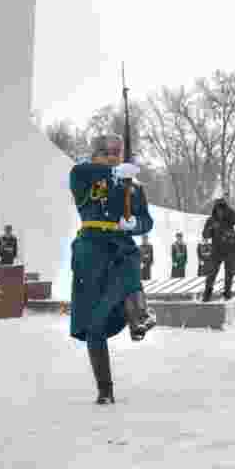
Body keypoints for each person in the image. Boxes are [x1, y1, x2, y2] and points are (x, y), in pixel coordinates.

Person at [68, 134, 156, 405]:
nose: (114, 157)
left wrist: (134, 225)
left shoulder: (132, 184)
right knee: (94, 325)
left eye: (117, 153)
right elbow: (82, 171)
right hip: (92, 248)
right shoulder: (83, 174)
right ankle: (104, 389)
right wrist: (114, 172)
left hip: (120, 246)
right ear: (95, 154)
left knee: (130, 276)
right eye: (107, 153)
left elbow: (146, 220)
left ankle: (139, 317)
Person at [201, 197, 235, 301]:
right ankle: (207, 294)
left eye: (222, 207)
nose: (220, 210)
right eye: (218, 208)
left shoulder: (229, 218)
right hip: (217, 250)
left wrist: (228, 209)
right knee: (212, 273)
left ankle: (227, 294)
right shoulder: (211, 220)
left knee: (229, 273)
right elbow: (205, 235)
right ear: (215, 209)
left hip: (229, 249)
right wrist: (211, 228)